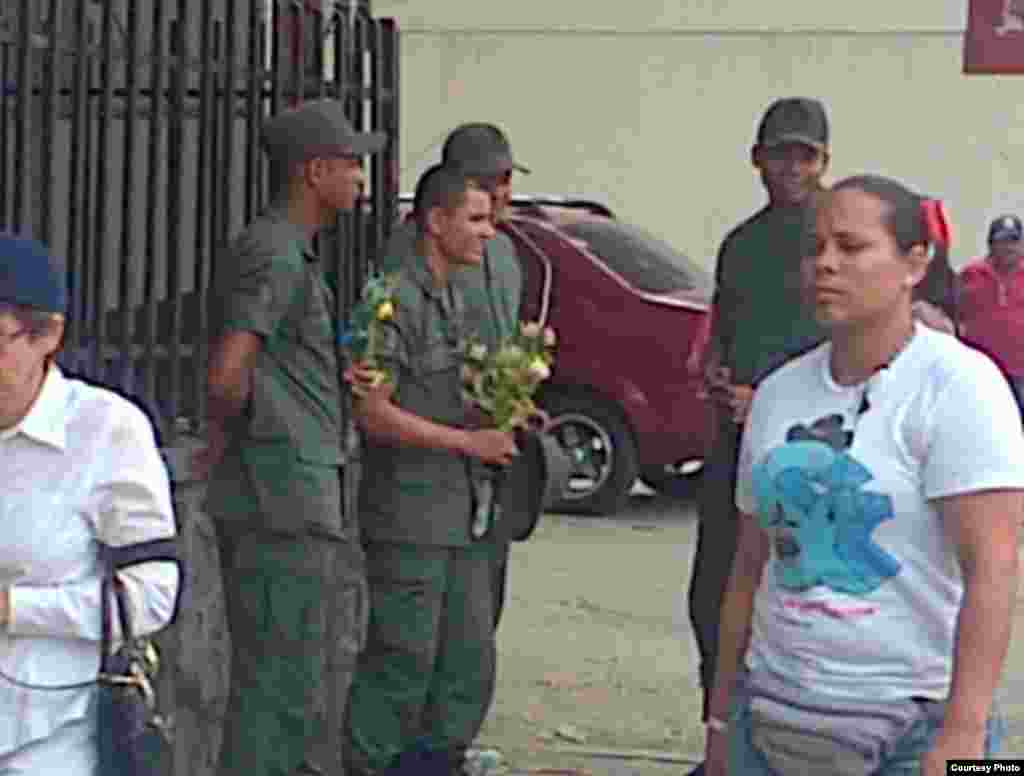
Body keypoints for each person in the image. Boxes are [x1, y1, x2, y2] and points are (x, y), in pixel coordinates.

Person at [704, 175, 1023, 776]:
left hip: (915, 731)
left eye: (851, 248)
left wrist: (963, 735)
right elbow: (749, 565)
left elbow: (995, 571)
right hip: (768, 721)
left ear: (914, 263)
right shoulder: (778, 393)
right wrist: (720, 717)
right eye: (815, 248)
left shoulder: (961, 388)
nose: (825, 265)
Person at [193, 99, 386, 776]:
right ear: (313, 171)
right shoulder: (272, 252)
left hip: (295, 497)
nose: (362, 176)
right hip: (278, 501)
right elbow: (228, 375)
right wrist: (264, 445)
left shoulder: (291, 252)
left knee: (294, 686)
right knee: (273, 694)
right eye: (351, 163)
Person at [344, 165, 519, 776]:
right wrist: (468, 443)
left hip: (462, 516)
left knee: (466, 664)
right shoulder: (392, 298)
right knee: (402, 663)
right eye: (475, 219)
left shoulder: (459, 294)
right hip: (409, 517)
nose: (488, 232)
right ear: (435, 222)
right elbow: (373, 413)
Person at [687, 97, 830, 775]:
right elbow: (727, 329)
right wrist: (714, 371)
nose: (792, 166)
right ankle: (724, 741)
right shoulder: (741, 244)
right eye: (781, 152)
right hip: (736, 445)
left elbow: (847, 346)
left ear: (826, 161)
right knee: (713, 598)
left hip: (819, 450)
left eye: (806, 154)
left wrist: (769, 396)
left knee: (805, 598)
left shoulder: (839, 236)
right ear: (757, 158)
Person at [0, 234, 179, 773]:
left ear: (46, 335)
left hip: (51, 732)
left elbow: (151, 596)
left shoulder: (105, 431)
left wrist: (13, 609)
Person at [381, 123, 526, 629]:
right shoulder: (408, 258)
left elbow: (506, 343)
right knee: (419, 642)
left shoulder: (505, 254)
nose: (505, 191)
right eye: (493, 180)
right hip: (429, 468)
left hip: (489, 459)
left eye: (508, 179)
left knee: (481, 616)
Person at [958, 214, 1024, 411]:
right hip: (981, 370)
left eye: (1014, 241)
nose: (1008, 248)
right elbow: (955, 316)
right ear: (990, 245)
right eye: (1002, 241)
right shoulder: (971, 274)